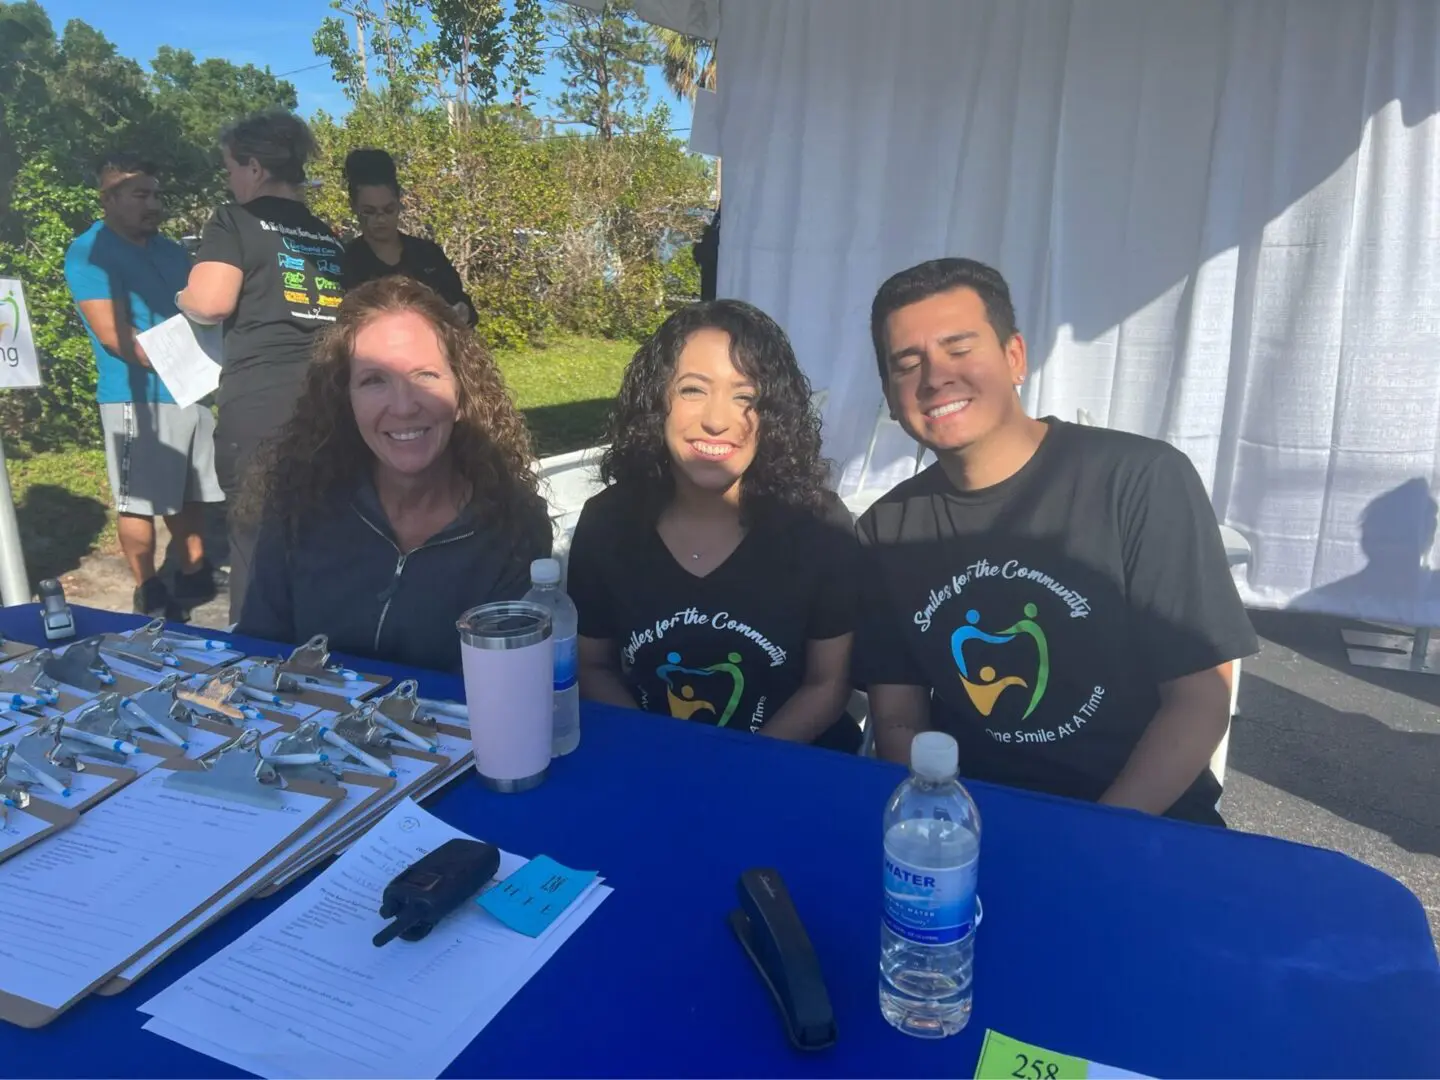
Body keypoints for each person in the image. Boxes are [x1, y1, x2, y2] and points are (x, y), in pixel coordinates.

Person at [855, 257, 1258, 824]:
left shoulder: (1140, 480)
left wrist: (1095, 836)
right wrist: (939, 820)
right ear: (891, 396)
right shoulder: (885, 531)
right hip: (972, 824)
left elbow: (1201, 699)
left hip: (1143, 821)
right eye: (907, 363)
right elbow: (897, 716)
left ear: (1014, 357)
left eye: (960, 347)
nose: (935, 376)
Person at [567, 299, 862, 752]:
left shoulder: (822, 529)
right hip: (648, 767)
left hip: (782, 772)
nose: (717, 420)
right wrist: (655, 751)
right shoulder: (608, 523)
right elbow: (593, 667)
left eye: (745, 397)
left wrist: (738, 768)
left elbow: (827, 684)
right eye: (692, 390)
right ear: (657, 401)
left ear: (772, 417)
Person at [236, 276, 550, 672]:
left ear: (461, 394)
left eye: (425, 375)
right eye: (374, 380)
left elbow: (505, 688)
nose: (403, 407)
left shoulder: (514, 527)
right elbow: (256, 652)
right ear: (343, 399)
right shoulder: (300, 501)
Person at [175, 110, 346, 624]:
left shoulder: (235, 220)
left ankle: (260, 668)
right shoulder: (328, 237)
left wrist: (184, 295)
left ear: (254, 167)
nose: (230, 179)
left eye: (230, 167)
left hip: (259, 406)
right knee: (325, 536)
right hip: (330, 405)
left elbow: (211, 301)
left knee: (257, 543)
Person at [63, 153, 224, 618]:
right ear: (109, 198)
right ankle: (147, 585)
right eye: (140, 195)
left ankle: (193, 570)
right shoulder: (90, 251)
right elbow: (113, 334)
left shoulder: (171, 250)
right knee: (139, 499)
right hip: (136, 395)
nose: (153, 204)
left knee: (190, 491)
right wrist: (177, 366)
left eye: (155, 194)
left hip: (192, 388)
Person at [341, 148, 477, 328]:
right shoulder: (346, 261)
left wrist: (462, 312)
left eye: (389, 210)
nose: (380, 219)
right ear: (354, 207)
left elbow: (463, 304)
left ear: (399, 202)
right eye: (369, 212)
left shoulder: (428, 254)